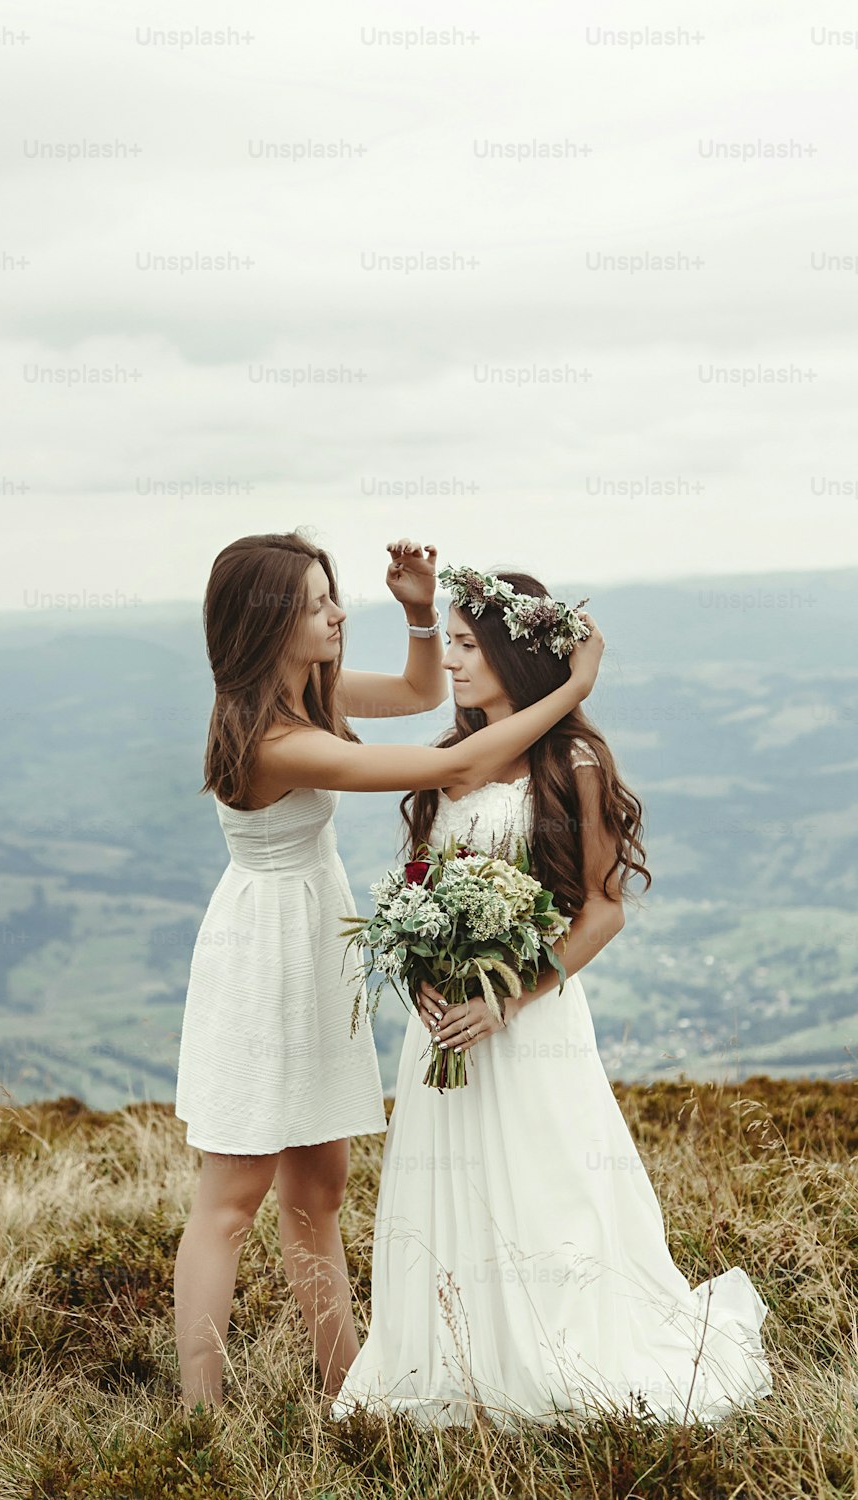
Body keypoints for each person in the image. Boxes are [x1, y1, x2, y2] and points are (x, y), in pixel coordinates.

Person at [331, 564, 773, 1431]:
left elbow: (604, 909)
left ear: (511, 654)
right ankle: (454, 1367)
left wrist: (509, 997)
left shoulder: (573, 766)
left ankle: (550, 1362)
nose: (449, 663)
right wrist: (426, 967)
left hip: (530, 1025)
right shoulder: (448, 761)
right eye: (447, 642)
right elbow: (421, 884)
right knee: (443, 1193)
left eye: (465, 644)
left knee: (547, 1188)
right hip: (443, 1031)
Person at [172, 533, 605, 1411]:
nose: (337, 612)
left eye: (334, 594)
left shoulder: (309, 695)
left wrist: (417, 614)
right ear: (269, 623)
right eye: (317, 602)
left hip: (315, 949)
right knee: (234, 1195)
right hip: (261, 958)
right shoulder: (272, 736)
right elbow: (456, 761)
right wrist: (573, 687)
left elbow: (417, 694)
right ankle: (201, 1418)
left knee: (317, 1191)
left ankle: (345, 1388)